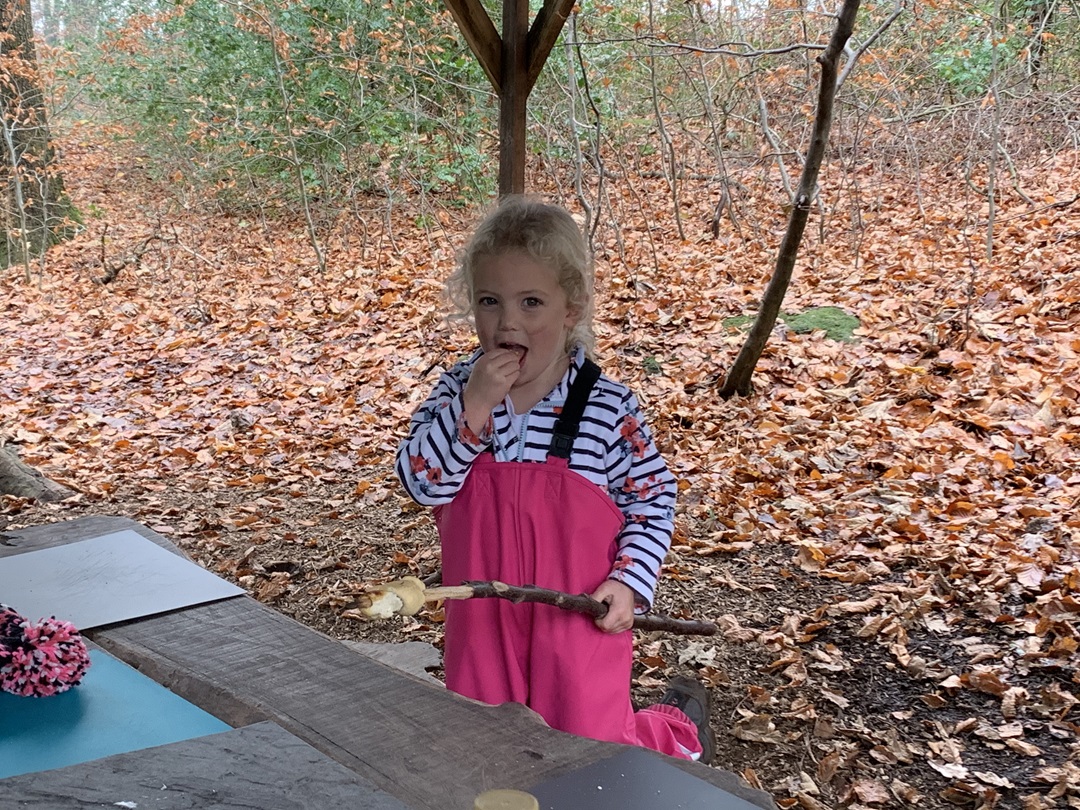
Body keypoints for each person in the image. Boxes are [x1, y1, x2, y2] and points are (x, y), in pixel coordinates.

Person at [395, 196, 715, 763]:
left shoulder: (607, 408)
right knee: (484, 744)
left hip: (577, 626)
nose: (508, 322)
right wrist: (473, 410)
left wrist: (629, 582)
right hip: (482, 624)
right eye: (490, 301)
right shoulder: (456, 394)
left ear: (571, 309)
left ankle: (677, 734)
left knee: (592, 748)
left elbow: (653, 499)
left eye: (532, 302)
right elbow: (423, 485)